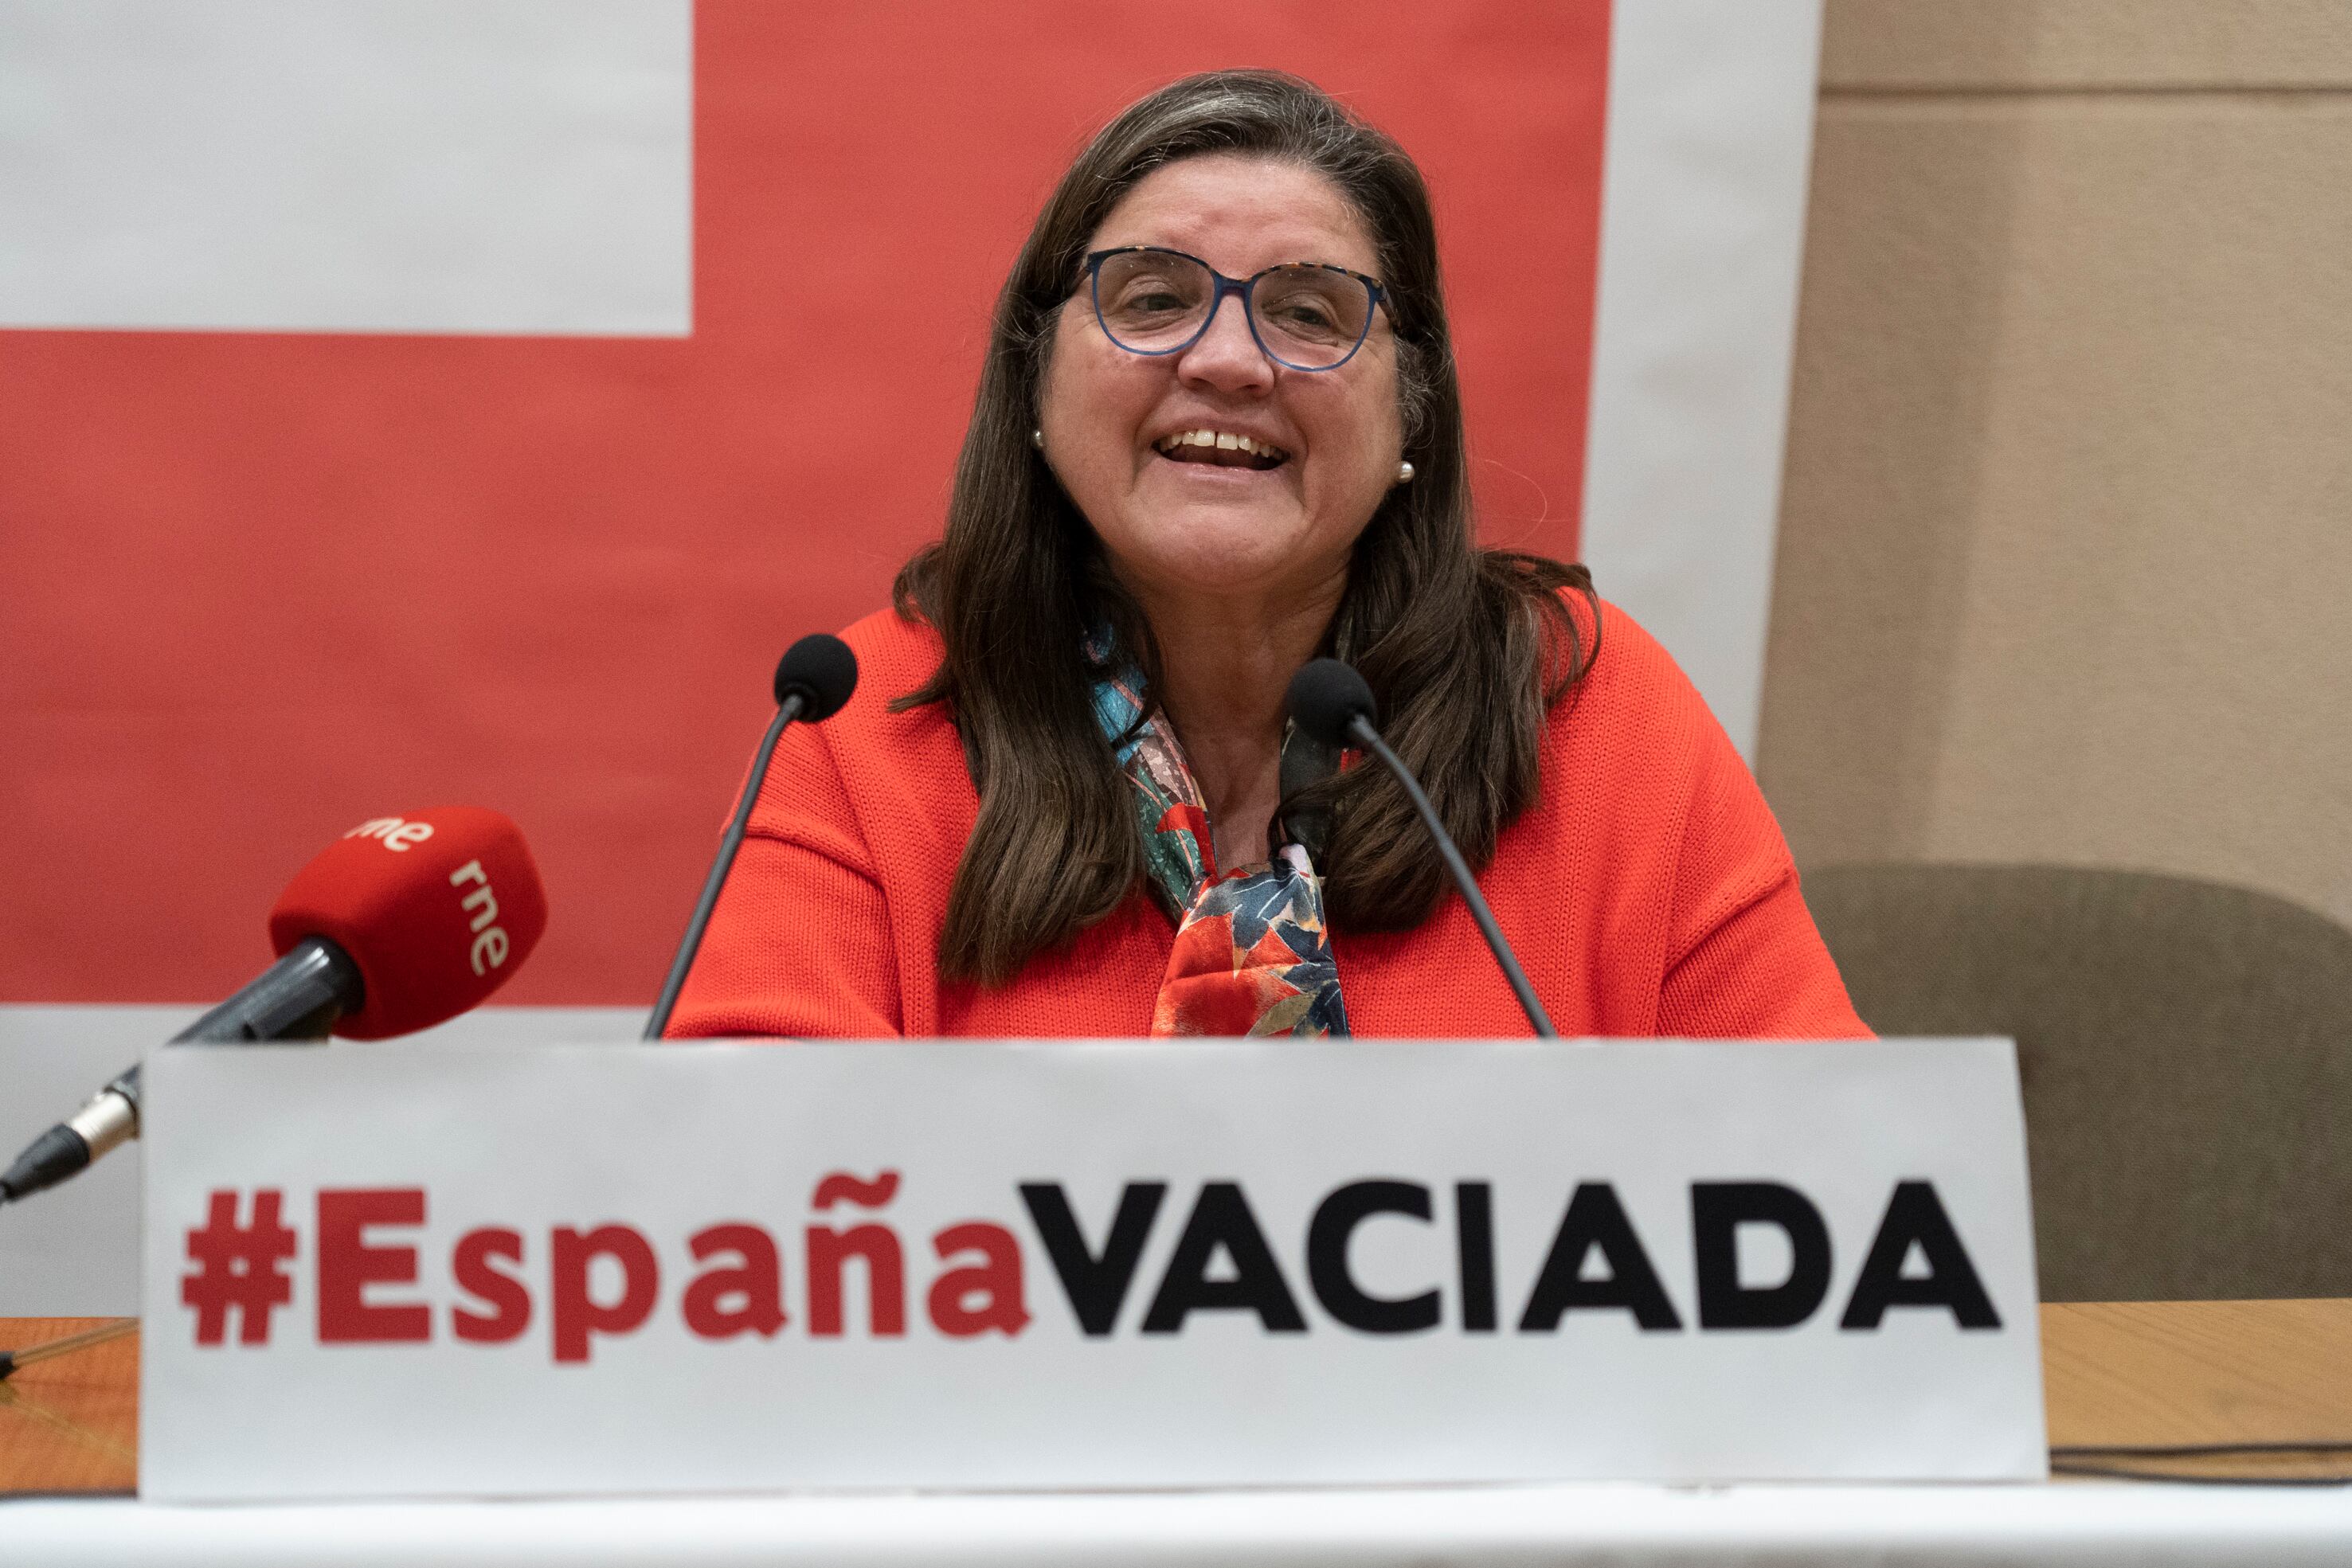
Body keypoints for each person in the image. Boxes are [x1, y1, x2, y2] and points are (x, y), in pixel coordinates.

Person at [667, 70, 1867, 1042]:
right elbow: (749, 1218)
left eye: (1307, 312)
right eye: (1149, 298)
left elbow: (1826, 1170)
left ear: (1412, 413)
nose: (1230, 361)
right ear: (1034, 380)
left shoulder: (1589, 709)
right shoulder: (858, 727)